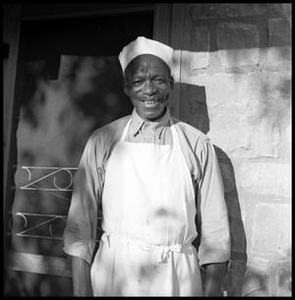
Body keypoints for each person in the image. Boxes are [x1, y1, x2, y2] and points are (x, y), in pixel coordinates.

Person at [63, 36, 230, 296]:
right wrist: (81, 290)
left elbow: (216, 234)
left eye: (159, 80)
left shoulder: (196, 144)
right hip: (115, 275)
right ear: (127, 87)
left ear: (171, 84)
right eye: (139, 81)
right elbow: (79, 225)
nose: (149, 90)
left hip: (178, 280)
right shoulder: (103, 141)